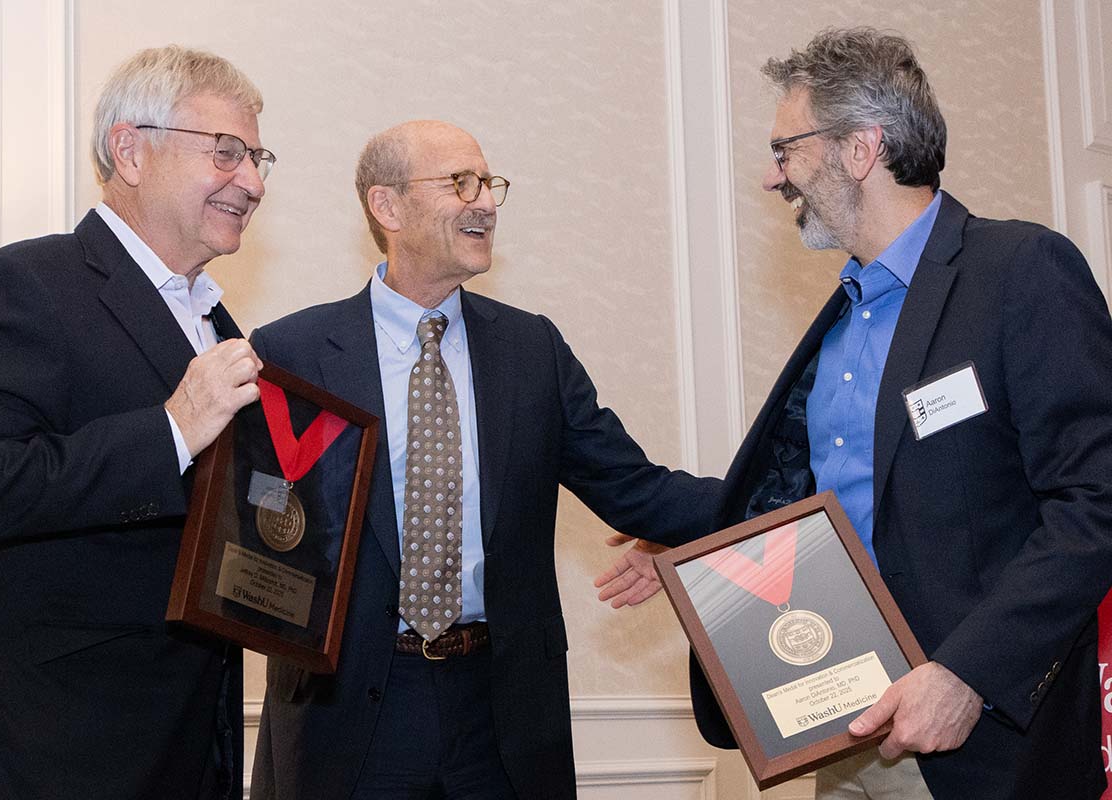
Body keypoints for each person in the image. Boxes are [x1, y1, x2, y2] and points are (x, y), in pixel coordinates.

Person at [597, 26, 1112, 799]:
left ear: (861, 148)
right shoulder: (845, 315)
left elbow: (1096, 502)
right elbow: (828, 505)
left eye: (786, 150)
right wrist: (695, 535)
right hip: (839, 731)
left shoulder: (1018, 271)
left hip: (980, 740)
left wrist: (966, 673)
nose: (775, 180)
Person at [248, 119, 720, 800]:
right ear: (387, 206)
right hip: (347, 712)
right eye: (460, 183)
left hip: (502, 714)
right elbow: (258, 521)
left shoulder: (532, 351)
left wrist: (776, 496)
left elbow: (635, 488)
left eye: (490, 184)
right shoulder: (296, 353)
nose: (486, 203)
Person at [0, 45, 273, 799]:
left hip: (187, 749)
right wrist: (171, 429)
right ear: (130, 150)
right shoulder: (27, 283)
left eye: (259, 157)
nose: (253, 181)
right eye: (228, 152)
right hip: (46, 754)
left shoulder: (215, 321)